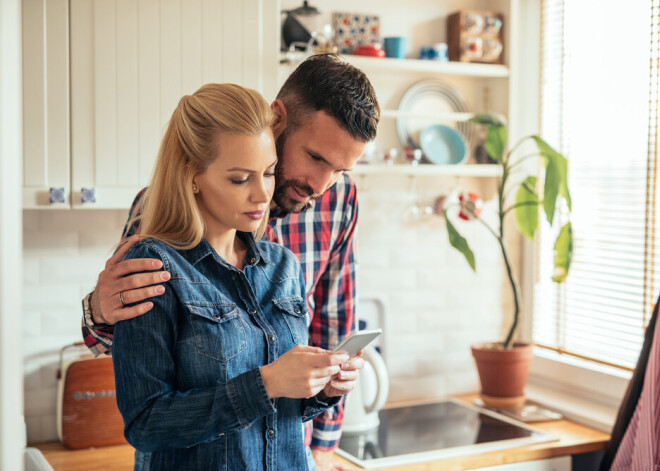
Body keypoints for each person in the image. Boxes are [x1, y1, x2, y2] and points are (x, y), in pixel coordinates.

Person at [81, 54, 380, 471]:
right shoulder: (159, 228)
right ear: (278, 119)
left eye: (340, 170)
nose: (321, 184)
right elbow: (125, 355)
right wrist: (97, 310)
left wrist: (326, 417)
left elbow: (333, 318)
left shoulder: (320, 221)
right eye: (315, 157)